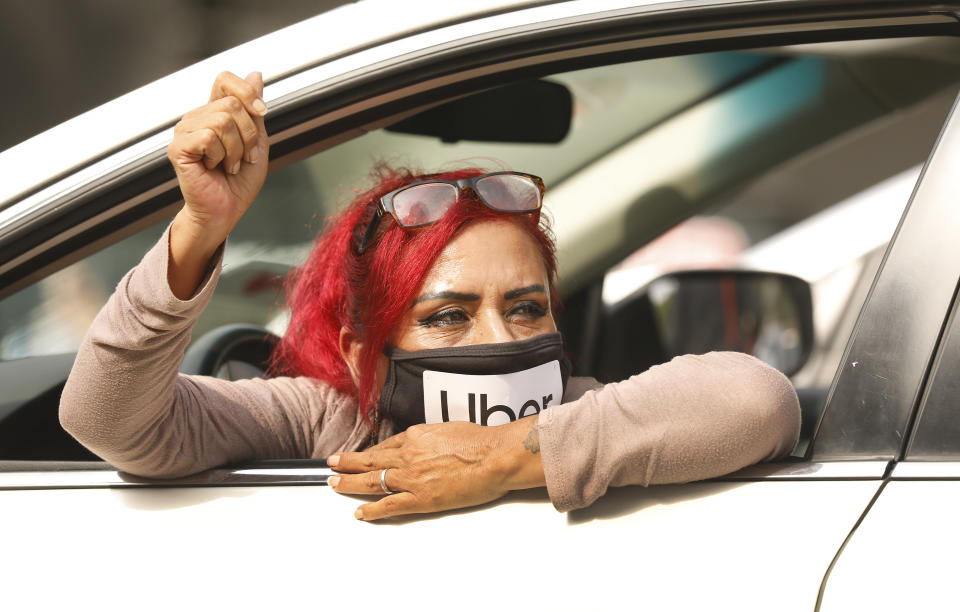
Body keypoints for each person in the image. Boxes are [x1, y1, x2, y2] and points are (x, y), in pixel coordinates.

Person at [59, 71, 800, 521]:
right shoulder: (331, 421)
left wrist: (504, 458)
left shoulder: (583, 408)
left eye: (526, 307)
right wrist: (199, 226)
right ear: (361, 353)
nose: (502, 340)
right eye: (448, 315)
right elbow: (109, 417)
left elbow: (757, 402)